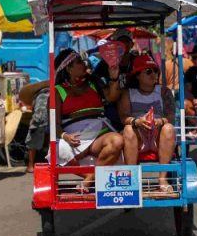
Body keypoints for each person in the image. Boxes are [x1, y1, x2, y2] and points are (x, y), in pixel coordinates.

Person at [53, 49, 124, 189]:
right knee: (58, 150)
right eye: (79, 62)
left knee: (117, 141)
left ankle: (90, 179)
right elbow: (54, 124)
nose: (85, 63)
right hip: (75, 138)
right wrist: (65, 136)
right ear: (69, 69)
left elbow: (112, 97)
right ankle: (92, 178)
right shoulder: (57, 90)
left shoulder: (94, 82)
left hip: (99, 134)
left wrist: (114, 78)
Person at [118, 55, 177, 192]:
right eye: (148, 71)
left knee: (168, 128)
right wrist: (137, 122)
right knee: (128, 129)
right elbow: (123, 117)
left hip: (158, 135)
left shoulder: (164, 91)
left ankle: (162, 179)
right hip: (139, 136)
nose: (154, 74)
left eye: (155, 71)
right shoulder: (128, 93)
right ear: (137, 75)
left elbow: (171, 117)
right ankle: (132, 179)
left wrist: (160, 121)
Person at [91, 28, 137, 128]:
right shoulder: (104, 64)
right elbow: (95, 80)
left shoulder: (137, 61)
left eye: (126, 41)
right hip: (112, 106)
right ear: (114, 45)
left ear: (132, 44)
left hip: (136, 102)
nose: (124, 44)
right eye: (120, 42)